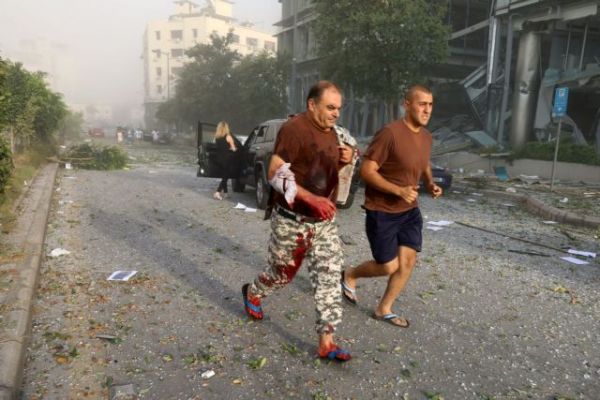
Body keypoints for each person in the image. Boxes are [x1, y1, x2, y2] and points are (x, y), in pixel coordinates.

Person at [241, 81, 354, 362]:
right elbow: (274, 174)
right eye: (330, 107)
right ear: (311, 104)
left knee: (329, 277)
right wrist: (312, 199)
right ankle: (253, 292)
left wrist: (346, 159)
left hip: (323, 224)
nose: (336, 113)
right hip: (292, 221)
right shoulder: (295, 129)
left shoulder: (335, 133)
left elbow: (319, 169)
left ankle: (326, 342)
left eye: (339, 108)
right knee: (281, 274)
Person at [341, 85, 442, 328]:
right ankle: (350, 274)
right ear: (407, 104)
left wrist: (430, 183)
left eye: (430, 104)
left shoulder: (426, 136)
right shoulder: (390, 133)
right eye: (422, 104)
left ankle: (384, 308)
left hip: (409, 211)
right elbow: (367, 171)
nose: (427, 110)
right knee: (388, 265)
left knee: (408, 262)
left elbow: (423, 162)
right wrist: (399, 190)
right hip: (382, 210)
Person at [212, 121, 238, 200]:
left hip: (218, 159)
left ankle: (226, 193)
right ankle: (217, 192)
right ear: (226, 128)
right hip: (226, 159)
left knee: (224, 175)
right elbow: (233, 149)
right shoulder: (228, 137)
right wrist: (234, 149)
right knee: (225, 177)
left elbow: (218, 147)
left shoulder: (216, 137)